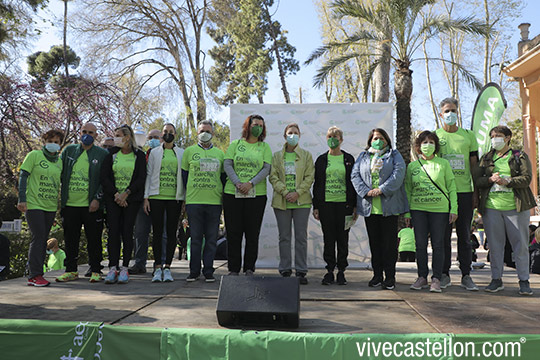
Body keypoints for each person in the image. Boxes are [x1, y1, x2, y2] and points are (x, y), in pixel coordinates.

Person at [475, 125, 536, 295]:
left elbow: (527, 178)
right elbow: (477, 180)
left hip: (516, 208)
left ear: (508, 137)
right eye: (493, 136)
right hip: (492, 208)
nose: (495, 139)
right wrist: (489, 180)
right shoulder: (486, 158)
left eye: (499, 136)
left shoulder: (519, 156)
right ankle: (496, 279)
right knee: (495, 246)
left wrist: (508, 181)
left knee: (520, 246)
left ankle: (524, 281)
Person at [351, 128, 408, 290]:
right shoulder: (363, 156)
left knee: (389, 245)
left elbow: (398, 174)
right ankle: (377, 275)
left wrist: (381, 189)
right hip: (370, 208)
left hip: (389, 208)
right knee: (375, 244)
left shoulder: (394, 155)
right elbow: (355, 175)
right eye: (375, 138)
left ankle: (390, 277)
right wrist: (366, 192)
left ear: (387, 140)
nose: (378, 141)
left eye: (382, 138)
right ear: (370, 140)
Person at [55, 122, 109, 283]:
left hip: (91, 205)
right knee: (71, 239)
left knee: (94, 239)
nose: (87, 135)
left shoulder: (102, 154)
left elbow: (105, 180)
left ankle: (96, 270)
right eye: (84, 131)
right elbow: (59, 172)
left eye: (91, 132)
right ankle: (71, 270)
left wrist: (97, 199)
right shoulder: (69, 151)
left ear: (96, 135)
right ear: (79, 133)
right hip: (70, 204)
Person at [435, 97, 479, 291]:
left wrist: (476, 192)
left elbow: (474, 166)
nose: (450, 114)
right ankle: (443, 274)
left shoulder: (469, 136)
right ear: (440, 114)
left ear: (457, 112)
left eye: (453, 110)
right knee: (443, 237)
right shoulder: (435, 137)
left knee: (464, 236)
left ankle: (466, 274)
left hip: (464, 193)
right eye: (446, 111)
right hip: (443, 196)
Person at [406, 131, 457, 293]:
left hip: (440, 211)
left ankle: (436, 278)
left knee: (438, 244)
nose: (428, 145)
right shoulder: (412, 166)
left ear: (436, 145)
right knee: (420, 244)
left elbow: (452, 187)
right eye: (424, 142)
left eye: (431, 142)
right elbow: (408, 190)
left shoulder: (443, 164)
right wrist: (407, 213)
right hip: (418, 210)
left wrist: (453, 209)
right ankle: (422, 277)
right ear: (419, 146)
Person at [223, 114, 272, 276]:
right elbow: (228, 164)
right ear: (247, 126)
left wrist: (250, 183)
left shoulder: (264, 147)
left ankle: (249, 268)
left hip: (256, 195)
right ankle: (233, 269)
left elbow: (266, 168)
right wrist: (238, 183)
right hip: (232, 194)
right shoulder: (236, 144)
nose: (258, 127)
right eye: (255, 124)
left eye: (261, 125)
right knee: (233, 233)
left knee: (252, 233)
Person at [17, 129, 64, 286]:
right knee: (38, 237)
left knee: (44, 239)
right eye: (50, 141)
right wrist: (22, 199)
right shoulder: (34, 156)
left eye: (57, 142)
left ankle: (36, 274)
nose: (53, 144)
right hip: (34, 204)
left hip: (50, 206)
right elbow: (23, 176)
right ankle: (35, 275)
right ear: (44, 141)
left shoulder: (59, 162)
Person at [269, 123, 314, 284]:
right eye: (290, 133)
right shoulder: (276, 156)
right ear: (284, 136)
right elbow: (273, 177)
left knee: (301, 237)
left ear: (300, 135)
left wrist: (297, 193)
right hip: (282, 201)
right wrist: (285, 192)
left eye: (295, 133)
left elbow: (309, 177)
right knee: (284, 237)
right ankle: (285, 269)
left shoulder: (307, 155)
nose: (292, 135)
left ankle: (301, 271)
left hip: (302, 202)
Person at [101, 124, 146, 284]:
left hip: (131, 200)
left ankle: (125, 268)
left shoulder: (138, 155)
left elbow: (141, 178)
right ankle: (113, 267)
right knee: (113, 232)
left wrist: (126, 193)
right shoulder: (110, 154)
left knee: (127, 232)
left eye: (118, 135)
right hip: (113, 199)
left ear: (127, 137)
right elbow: (104, 177)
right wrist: (116, 194)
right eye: (115, 135)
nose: (116, 138)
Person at [181, 120, 225, 282]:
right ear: (197, 133)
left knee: (212, 239)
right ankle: (194, 271)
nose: (204, 133)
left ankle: (208, 271)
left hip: (214, 202)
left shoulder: (220, 154)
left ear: (212, 134)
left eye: (207, 131)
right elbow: (185, 177)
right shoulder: (189, 152)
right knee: (196, 238)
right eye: (201, 131)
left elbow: (223, 177)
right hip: (194, 202)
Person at [313, 126, 357, 286]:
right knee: (329, 239)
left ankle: (341, 272)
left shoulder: (349, 159)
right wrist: (316, 206)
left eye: (336, 136)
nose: (333, 138)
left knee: (343, 239)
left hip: (344, 206)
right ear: (326, 139)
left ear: (341, 139)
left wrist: (355, 206)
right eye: (330, 136)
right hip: (326, 206)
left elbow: (354, 183)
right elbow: (317, 184)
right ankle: (329, 271)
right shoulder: (321, 160)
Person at [144, 123, 184, 282]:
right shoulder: (154, 153)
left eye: (171, 132)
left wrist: (184, 199)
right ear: (162, 135)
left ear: (175, 134)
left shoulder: (181, 153)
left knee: (172, 231)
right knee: (158, 232)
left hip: (174, 198)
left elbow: (184, 176)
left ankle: (168, 267)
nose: (168, 134)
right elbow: (148, 175)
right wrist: (146, 197)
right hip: (156, 197)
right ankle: (157, 267)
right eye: (165, 132)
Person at [128, 128, 164, 275]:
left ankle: (160, 263)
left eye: (156, 137)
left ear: (161, 139)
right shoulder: (141, 156)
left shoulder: (166, 155)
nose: (153, 139)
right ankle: (139, 263)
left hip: (159, 199)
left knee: (161, 233)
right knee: (140, 232)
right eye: (150, 137)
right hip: (141, 199)